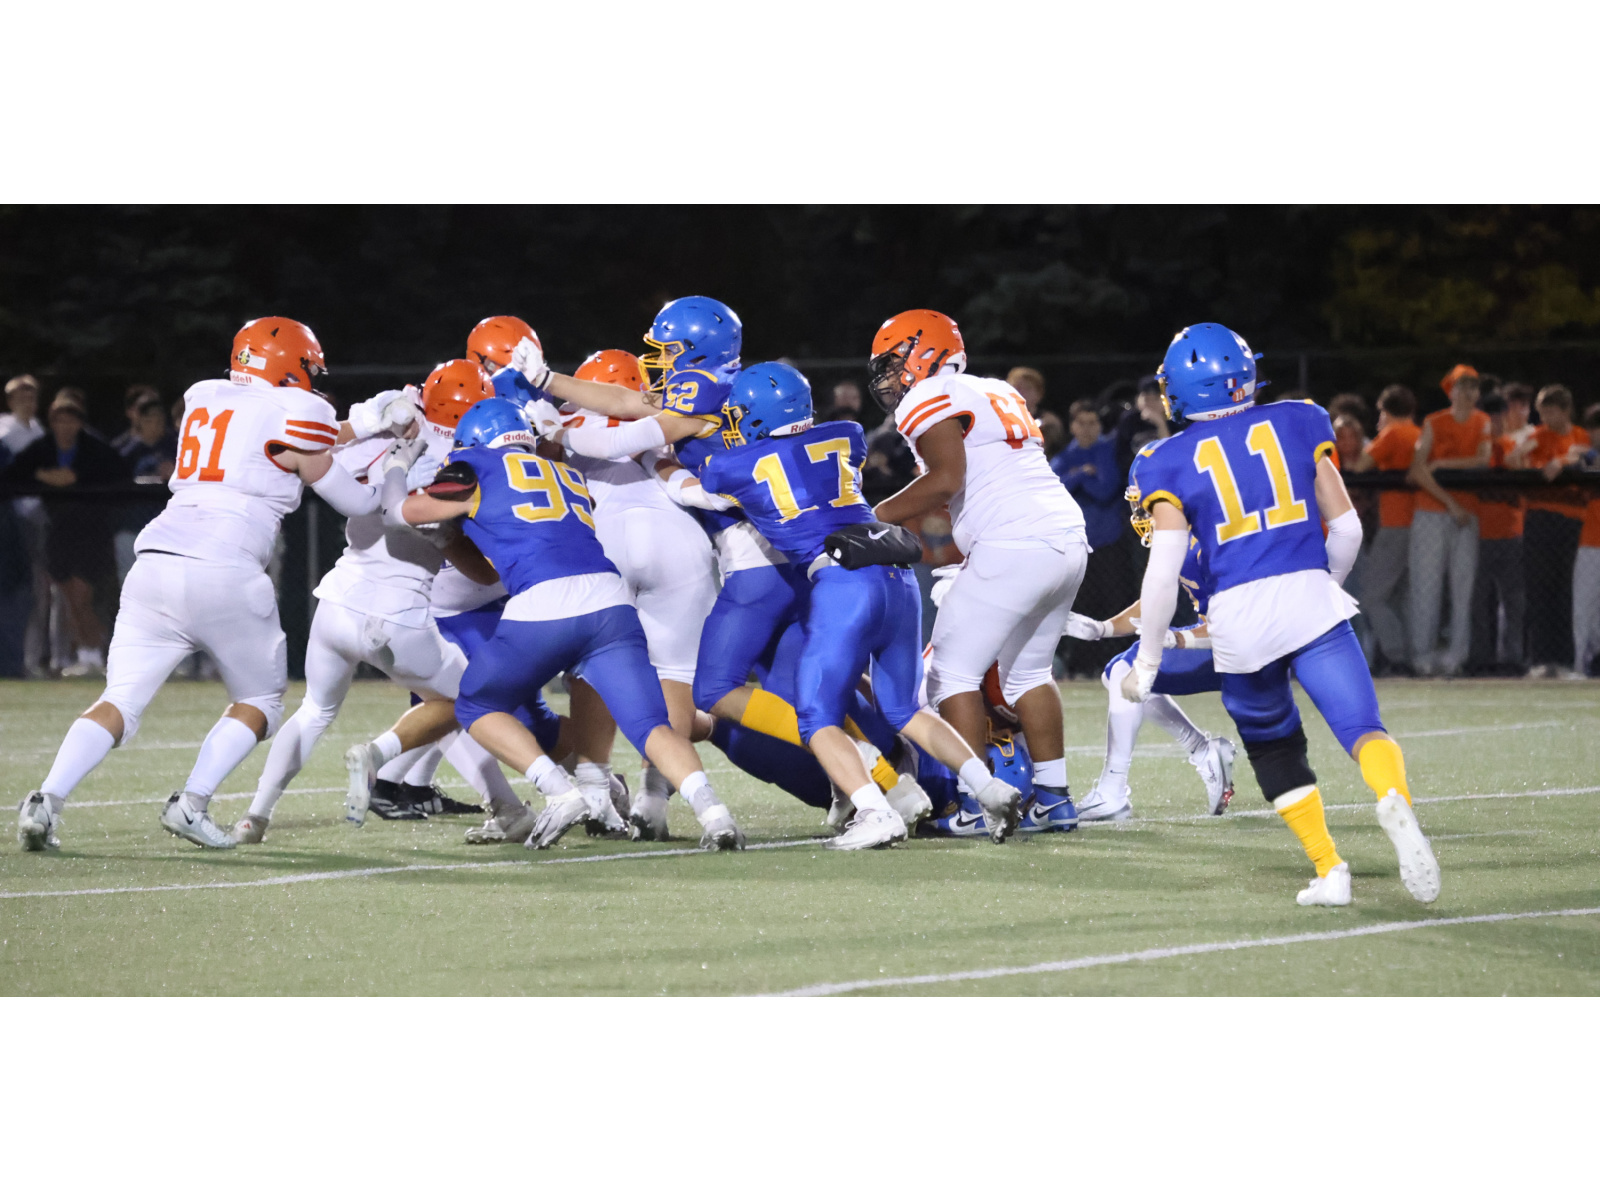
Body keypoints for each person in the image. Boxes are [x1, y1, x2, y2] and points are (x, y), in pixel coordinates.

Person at [16, 316, 419, 852]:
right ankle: (193, 803)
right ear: (288, 366)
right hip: (224, 565)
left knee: (119, 700)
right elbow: (358, 501)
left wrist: (365, 421)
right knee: (261, 700)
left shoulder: (207, 398)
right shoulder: (297, 413)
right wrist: (394, 462)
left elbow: (285, 438)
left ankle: (46, 798)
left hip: (156, 560)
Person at [1125, 322, 1439, 907]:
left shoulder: (1161, 460)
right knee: (1365, 730)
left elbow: (1163, 573)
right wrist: (1323, 590)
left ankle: (1330, 870)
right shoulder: (1299, 418)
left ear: (1183, 390)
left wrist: (1147, 661)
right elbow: (1346, 526)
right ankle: (1393, 797)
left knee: (1274, 748)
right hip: (1309, 597)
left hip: (1240, 619)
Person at [692, 362, 1026, 848]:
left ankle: (874, 810)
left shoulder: (733, 466)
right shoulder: (847, 435)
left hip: (841, 583)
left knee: (816, 718)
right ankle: (988, 787)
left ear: (758, 416)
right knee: (903, 710)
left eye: (740, 414)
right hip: (897, 574)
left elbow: (701, 476)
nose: (734, 422)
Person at [396, 392, 744, 851]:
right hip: (609, 601)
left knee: (475, 704)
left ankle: (559, 792)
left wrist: (395, 472)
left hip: (544, 603)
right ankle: (715, 815)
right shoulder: (565, 473)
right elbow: (492, 559)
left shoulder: (476, 463)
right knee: (651, 725)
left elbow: (406, 513)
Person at [236, 361, 516, 844]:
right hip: (398, 614)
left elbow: (319, 455)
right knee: (465, 699)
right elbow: (477, 554)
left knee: (315, 711)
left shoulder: (389, 433)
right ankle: (506, 806)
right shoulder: (473, 459)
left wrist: (368, 419)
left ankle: (255, 815)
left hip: (338, 600)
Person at [870, 309, 1086, 829]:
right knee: (1028, 672)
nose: (888, 376)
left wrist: (869, 517)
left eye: (895, 360)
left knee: (950, 673)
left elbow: (946, 479)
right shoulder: (995, 389)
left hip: (1013, 541)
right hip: (1065, 535)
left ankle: (976, 804)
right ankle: (1055, 799)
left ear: (925, 352)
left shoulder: (928, 395)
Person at [1065, 521, 1236, 822]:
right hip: (1230, 642)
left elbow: (1240, 620)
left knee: (1127, 669)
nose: (1141, 514)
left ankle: (1112, 791)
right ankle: (1201, 750)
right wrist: (1102, 628)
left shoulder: (1213, 541)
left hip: (1247, 646)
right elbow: (1155, 599)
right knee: (1122, 674)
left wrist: (1182, 639)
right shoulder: (1191, 539)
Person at [2, 389, 131, 677]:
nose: (65, 426)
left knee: (85, 594)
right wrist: (43, 476)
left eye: (71, 420)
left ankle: (95, 655)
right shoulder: (43, 447)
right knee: (69, 596)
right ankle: (87, 655)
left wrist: (77, 478)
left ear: (80, 422)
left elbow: (119, 473)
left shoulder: (95, 448)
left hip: (91, 532)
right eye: (59, 420)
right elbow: (12, 473)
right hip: (58, 531)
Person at [1406, 364, 1491, 676]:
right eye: (1461, 386)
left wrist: (1443, 463)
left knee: (1462, 590)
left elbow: (1483, 459)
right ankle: (1422, 657)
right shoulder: (1433, 421)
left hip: (1465, 514)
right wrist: (1451, 503)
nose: (1467, 392)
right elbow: (1417, 470)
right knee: (1425, 587)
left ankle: (1456, 658)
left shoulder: (1482, 421)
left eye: (1472, 386)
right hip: (1435, 512)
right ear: (1450, 390)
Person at [1511, 384, 1592, 675]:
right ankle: (1542, 659)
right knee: (1539, 588)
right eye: (1542, 411)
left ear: (1566, 410)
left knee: (1565, 589)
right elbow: (1512, 461)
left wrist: (1563, 460)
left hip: (1571, 519)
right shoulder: (1538, 436)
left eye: (1551, 411)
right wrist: (1521, 452)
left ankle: (1566, 659)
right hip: (1540, 517)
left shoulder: (1578, 435)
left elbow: (1585, 453)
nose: (1545, 417)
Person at [1051, 399, 1132, 677]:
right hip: (1076, 546)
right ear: (1072, 425)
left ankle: (1116, 663)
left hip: (1108, 543)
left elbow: (1105, 490)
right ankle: (1081, 665)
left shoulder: (1108, 452)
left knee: (1114, 603)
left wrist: (1075, 478)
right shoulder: (1063, 457)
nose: (1087, 428)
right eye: (1081, 422)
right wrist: (1085, 474)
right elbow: (1055, 491)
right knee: (1080, 607)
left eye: (1092, 422)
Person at [1350, 385, 1420, 672]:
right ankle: (1409, 654)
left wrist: (1379, 437)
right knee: (1400, 596)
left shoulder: (1393, 433)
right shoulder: (1417, 432)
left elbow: (1361, 465)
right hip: (1418, 522)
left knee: (1373, 597)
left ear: (1386, 410)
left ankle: (1397, 656)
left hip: (1395, 524)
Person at [1468, 393, 1527, 673]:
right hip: (1478, 535)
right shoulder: (1476, 451)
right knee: (1478, 601)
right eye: (1491, 417)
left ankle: (1511, 659)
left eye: (1499, 417)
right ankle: (1480, 658)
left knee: (1513, 601)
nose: (1496, 423)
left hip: (1511, 533)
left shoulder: (1512, 447)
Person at [1, 375, 51, 677]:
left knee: (39, 591)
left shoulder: (40, 429)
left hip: (39, 516)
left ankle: (33, 657)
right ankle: (20, 658)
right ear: (9, 401)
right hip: (12, 520)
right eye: (21, 396)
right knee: (19, 591)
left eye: (31, 396)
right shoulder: (4, 431)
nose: (27, 401)